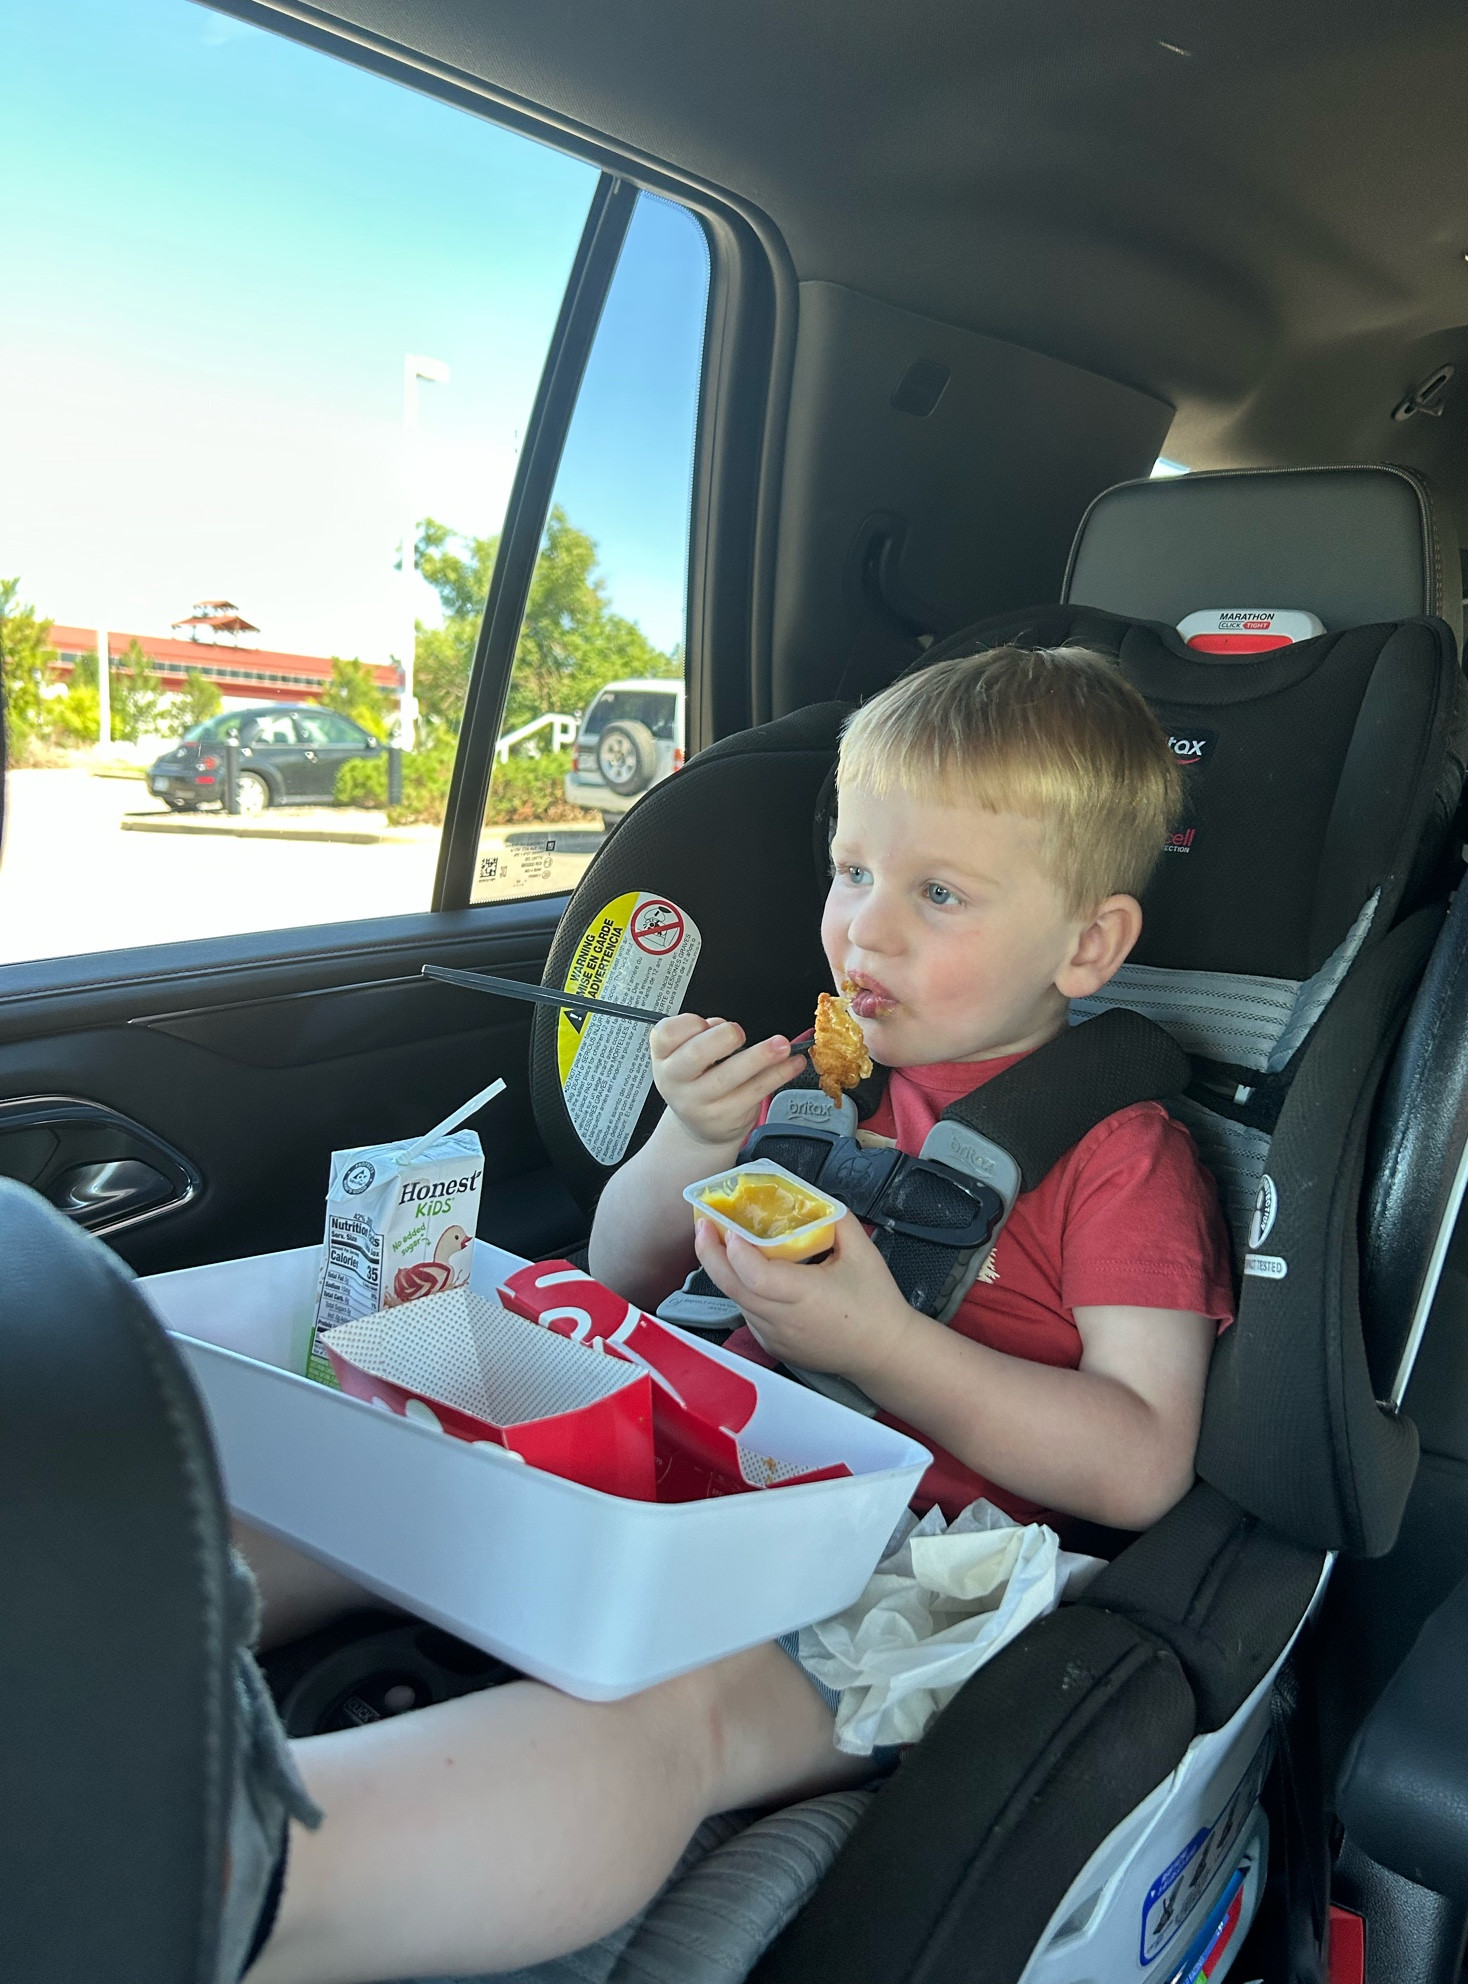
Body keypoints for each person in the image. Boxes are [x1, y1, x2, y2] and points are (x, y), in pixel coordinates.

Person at [245, 644, 1232, 1984]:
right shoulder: (818, 1093)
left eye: (938, 894)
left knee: (676, 1716)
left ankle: (249, 1875)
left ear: (1088, 944)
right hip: (726, 1457)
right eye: (853, 872)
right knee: (378, 1467)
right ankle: (129, 1628)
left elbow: (1139, 1461)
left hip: (937, 1556)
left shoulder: (1119, 1160)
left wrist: (886, 1348)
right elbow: (626, 1277)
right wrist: (682, 1146)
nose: (865, 929)